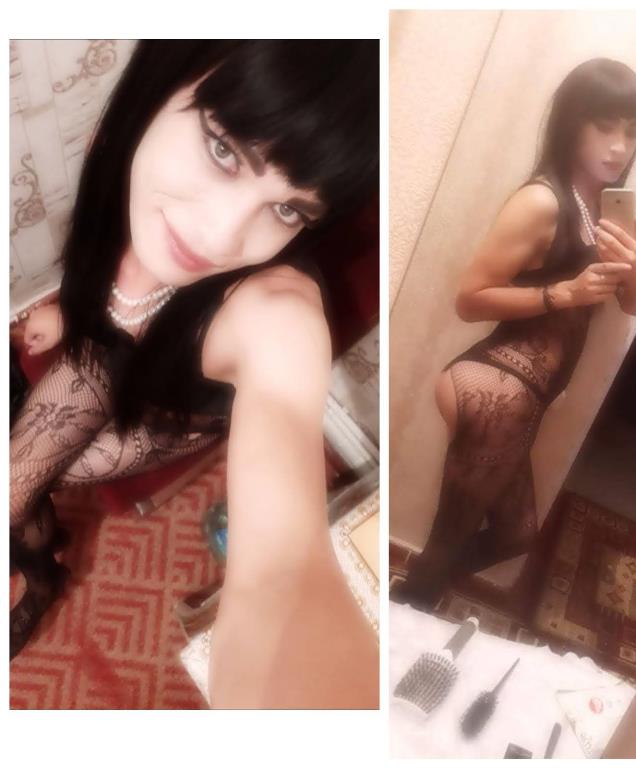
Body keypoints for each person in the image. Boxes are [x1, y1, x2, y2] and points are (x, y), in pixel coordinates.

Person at [10, 40, 379, 707]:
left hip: (169, 411)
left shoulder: (275, 313)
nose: (220, 238)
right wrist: (72, 309)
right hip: (106, 352)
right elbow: (115, 273)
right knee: (20, 478)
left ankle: (38, 568)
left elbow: (282, 579)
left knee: (35, 473)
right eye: (223, 150)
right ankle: (39, 559)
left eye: (289, 209)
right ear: (162, 81)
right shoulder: (115, 151)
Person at [393, 58, 636, 611]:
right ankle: (406, 614)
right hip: (498, 386)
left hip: (524, 395)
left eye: (631, 131)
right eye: (605, 126)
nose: (619, 146)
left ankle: (413, 592)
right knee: (449, 539)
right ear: (573, 121)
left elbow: (631, 303)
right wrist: (563, 294)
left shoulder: (610, 212)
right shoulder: (542, 201)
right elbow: (469, 298)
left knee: (514, 537)